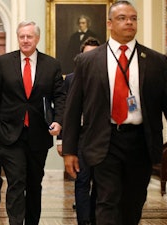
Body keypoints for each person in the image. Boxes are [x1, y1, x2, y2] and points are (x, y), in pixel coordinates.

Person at [62, 1, 167, 225]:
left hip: (141, 141)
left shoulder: (155, 61)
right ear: (110, 23)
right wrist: (69, 150)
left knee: (133, 204)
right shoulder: (87, 61)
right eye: (122, 18)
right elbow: (73, 108)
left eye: (133, 18)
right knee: (107, 201)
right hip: (105, 140)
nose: (129, 22)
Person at [0, 21, 66, 225]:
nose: (25, 40)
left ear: (37, 38)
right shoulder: (4, 62)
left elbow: (60, 97)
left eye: (29, 36)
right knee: (15, 182)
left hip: (38, 135)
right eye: (21, 36)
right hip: (10, 134)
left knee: (34, 184)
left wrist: (58, 122)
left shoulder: (52, 65)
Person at [57, 37, 100, 225]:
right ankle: (83, 221)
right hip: (80, 137)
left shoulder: (108, 77)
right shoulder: (71, 80)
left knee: (100, 182)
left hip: (101, 138)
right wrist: (62, 140)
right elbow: (65, 111)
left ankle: (94, 217)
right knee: (82, 180)